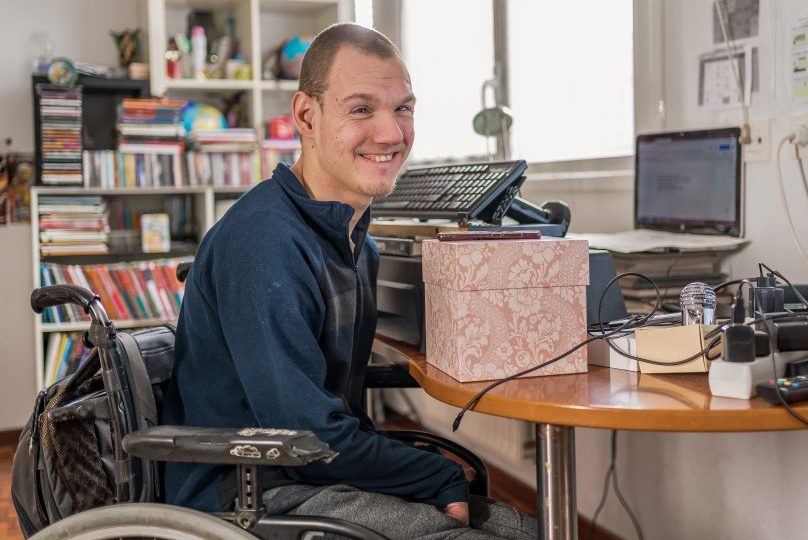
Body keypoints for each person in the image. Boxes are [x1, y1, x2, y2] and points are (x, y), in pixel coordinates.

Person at [162, 23, 536, 540]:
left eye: (402, 108)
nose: (390, 133)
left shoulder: (356, 240)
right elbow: (305, 436)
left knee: (529, 530)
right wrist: (435, 475)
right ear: (306, 116)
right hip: (251, 491)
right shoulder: (266, 241)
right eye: (361, 109)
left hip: (310, 469)